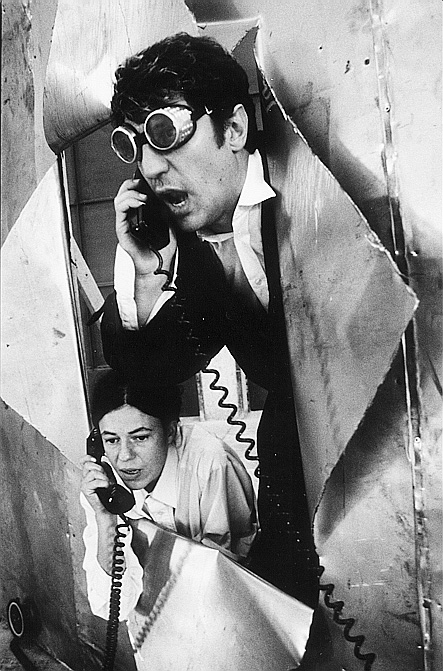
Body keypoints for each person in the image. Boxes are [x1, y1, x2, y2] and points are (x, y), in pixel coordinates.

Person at [100, 32, 319, 607]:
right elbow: (144, 372)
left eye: (166, 133)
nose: (151, 166)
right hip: (294, 465)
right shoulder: (186, 245)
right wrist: (146, 271)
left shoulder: (313, 189)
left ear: (235, 129)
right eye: (135, 145)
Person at [80, 369, 258, 626]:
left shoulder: (211, 465)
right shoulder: (102, 481)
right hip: (154, 626)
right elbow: (111, 608)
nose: (125, 456)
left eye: (140, 437)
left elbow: (221, 589)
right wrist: (105, 517)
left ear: (171, 431)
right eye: (111, 440)